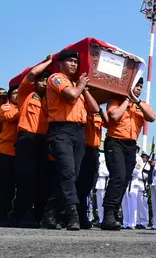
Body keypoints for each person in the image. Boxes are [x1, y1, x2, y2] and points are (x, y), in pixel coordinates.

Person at [45, 50, 99, 230]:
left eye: (76, 61)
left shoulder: (78, 85)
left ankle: (51, 212)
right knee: (67, 173)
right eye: (70, 61)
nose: (74, 64)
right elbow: (70, 95)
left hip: (78, 132)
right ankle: (72, 214)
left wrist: (84, 87)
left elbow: (95, 108)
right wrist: (80, 86)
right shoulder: (55, 78)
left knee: (72, 176)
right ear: (60, 63)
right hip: (61, 130)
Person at [101, 77, 155, 230]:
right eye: (135, 86)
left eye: (140, 87)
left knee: (124, 179)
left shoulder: (141, 105)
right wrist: (126, 100)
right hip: (115, 141)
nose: (138, 89)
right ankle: (108, 214)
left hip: (131, 145)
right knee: (117, 176)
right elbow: (114, 116)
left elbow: (152, 117)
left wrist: (136, 102)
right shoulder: (115, 101)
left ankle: (115, 211)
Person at [13, 55, 53, 227]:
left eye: (47, 81)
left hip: (43, 142)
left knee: (42, 180)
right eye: (41, 80)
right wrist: (49, 61)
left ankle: (37, 214)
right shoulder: (26, 94)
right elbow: (31, 74)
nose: (44, 83)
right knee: (26, 179)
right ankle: (21, 214)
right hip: (26, 140)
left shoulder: (51, 100)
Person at [0, 85, 19, 226]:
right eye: (15, 93)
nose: (17, 95)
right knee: (6, 185)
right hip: (6, 151)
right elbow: (10, 117)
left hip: (22, 151)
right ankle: (4, 213)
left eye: (20, 93)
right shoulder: (6, 107)